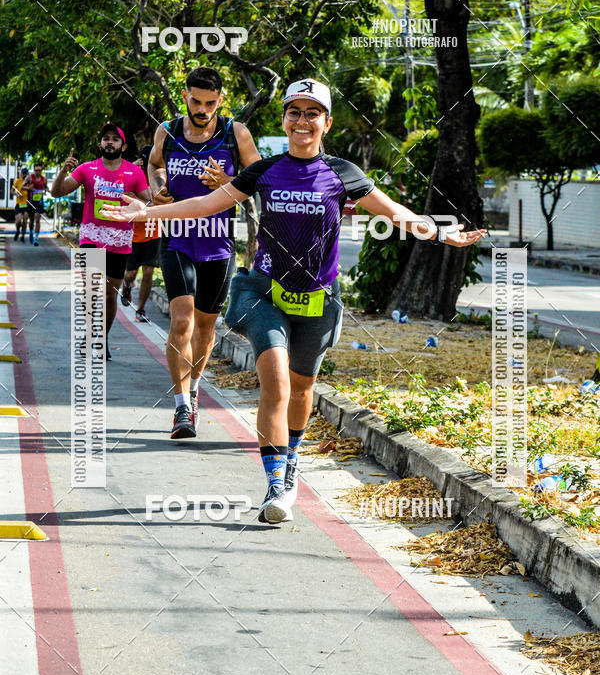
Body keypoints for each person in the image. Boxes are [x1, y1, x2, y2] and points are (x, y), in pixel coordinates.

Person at [102, 78, 485, 523]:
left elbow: (393, 212)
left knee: (303, 390)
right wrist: (147, 211)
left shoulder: (343, 173)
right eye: (294, 113)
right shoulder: (263, 171)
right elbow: (207, 204)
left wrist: (438, 231)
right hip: (265, 292)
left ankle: (292, 457)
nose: (302, 121)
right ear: (284, 120)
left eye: (311, 113)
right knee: (277, 384)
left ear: (326, 122)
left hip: (320, 299)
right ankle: (276, 480)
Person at [147, 66, 261, 439]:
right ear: (185, 97)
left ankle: (193, 390)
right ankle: (181, 408)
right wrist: (158, 187)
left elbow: (261, 178)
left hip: (218, 245)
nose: (202, 109)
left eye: (210, 103)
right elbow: (153, 163)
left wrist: (230, 184)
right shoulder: (168, 131)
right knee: (182, 320)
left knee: (206, 327)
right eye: (196, 101)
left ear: (220, 101)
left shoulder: (235, 133)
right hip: (177, 238)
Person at [50, 123, 152, 360]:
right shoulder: (87, 169)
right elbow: (57, 192)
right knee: (91, 291)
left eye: (115, 140)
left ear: (123, 146)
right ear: (100, 144)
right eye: (105, 138)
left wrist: (144, 203)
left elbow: (150, 203)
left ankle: (102, 338)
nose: (109, 142)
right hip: (91, 237)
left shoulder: (134, 173)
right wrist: (63, 171)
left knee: (109, 295)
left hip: (120, 241)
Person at [120, 145, 160, 322]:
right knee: (130, 273)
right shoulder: (133, 175)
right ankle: (126, 285)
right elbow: (118, 186)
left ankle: (141, 310)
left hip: (154, 231)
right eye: (145, 163)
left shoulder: (160, 177)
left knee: (149, 271)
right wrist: (130, 167)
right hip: (134, 233)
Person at [22, 163, 48, 245]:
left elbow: (46, 187)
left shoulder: (44, 179)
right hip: (31, 202)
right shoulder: (30, 177)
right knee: (31, 220)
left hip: (39, 202)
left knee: (37, 219)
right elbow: (22, 187)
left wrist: (46, 190)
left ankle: (36, 238)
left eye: (39, 170)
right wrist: (28, 188)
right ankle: (31, 232)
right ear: (34, 170)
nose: (37, 172)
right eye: (36, 170)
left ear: (41, 171)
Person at [11, 167, 29, 241]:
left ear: (27, 174)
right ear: (21, 173)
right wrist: (16, 194)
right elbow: (12, 191)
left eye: (25, 173)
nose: (24, 175)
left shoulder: (29, 182)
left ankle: (23, 236)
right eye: (23, 173)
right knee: (18, 221)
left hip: (27, 204)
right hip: (19, 204)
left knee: (25, 221)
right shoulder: (17, 181)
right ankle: (18, 230)